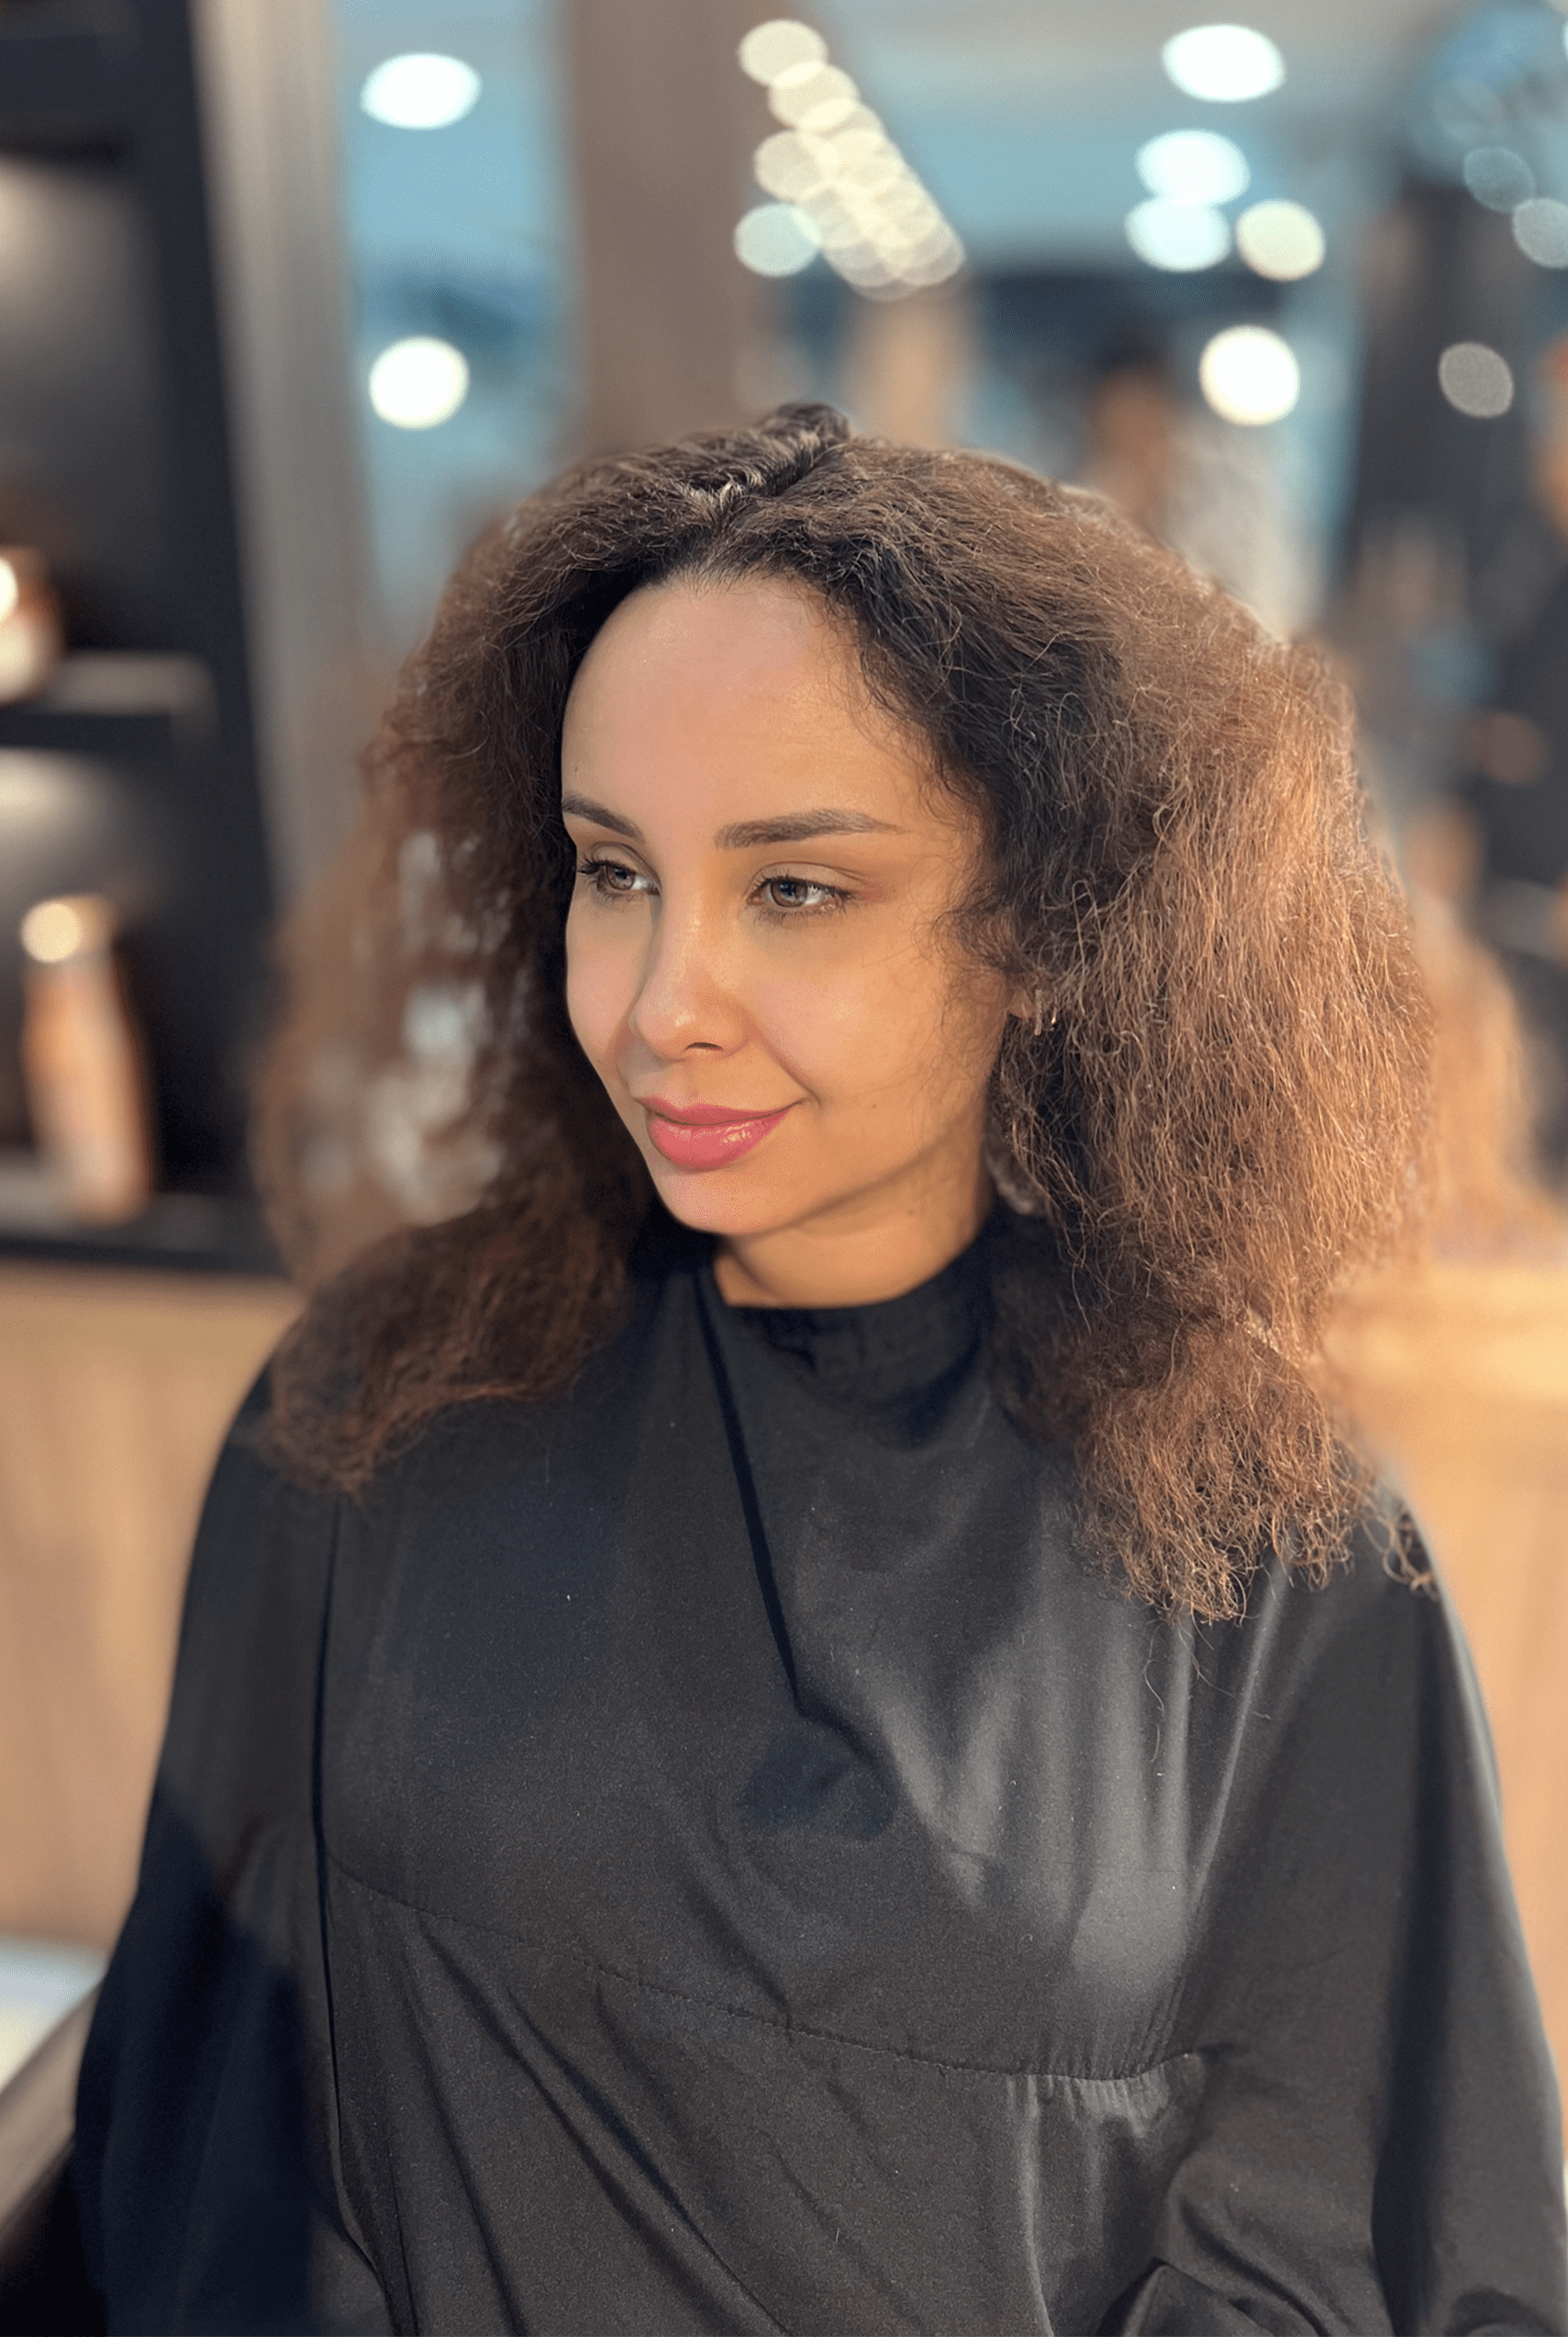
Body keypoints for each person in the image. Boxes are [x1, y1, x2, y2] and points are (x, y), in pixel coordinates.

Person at [68, 406, 1565, 2333]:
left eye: (794, 889)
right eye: (614, 872)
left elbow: (1366, 2224)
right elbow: (208, 2143)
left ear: (1047, 929)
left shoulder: (1273, 1539)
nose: (662, 1004)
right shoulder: (383, 1402)